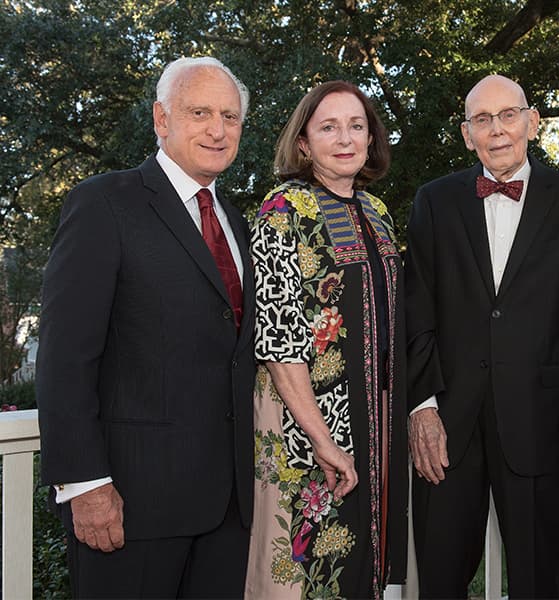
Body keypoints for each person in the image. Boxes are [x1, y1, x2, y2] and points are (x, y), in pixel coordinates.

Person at [36, 56, 256, 598]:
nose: (217, 129)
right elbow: (64, 358)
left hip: (227, 507)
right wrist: (84, 483)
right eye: (199, 112)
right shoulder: (105, 203)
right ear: (162, 119)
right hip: (131, 506)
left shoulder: (235, 218)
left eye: (229, 116)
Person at [404, 74, 559, 599]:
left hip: (540, 425)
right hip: (447, 427)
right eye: (482, 120)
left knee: (538, 582)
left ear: (531, 122)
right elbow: (416, 310)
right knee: (441, 579)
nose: (497, 130)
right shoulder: (434, 201)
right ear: (466, 134)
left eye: (508, 115)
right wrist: (421, 406)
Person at [244, 80, 407, 600]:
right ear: (303, 143)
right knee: (311, 570)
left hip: (374, 426)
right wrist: (320, 436)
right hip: (309, 429)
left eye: (356, 126)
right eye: (329, 127)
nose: (345, 138)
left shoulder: (378, 213)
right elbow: (276, 337)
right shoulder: (280, 211)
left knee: (364, 568)